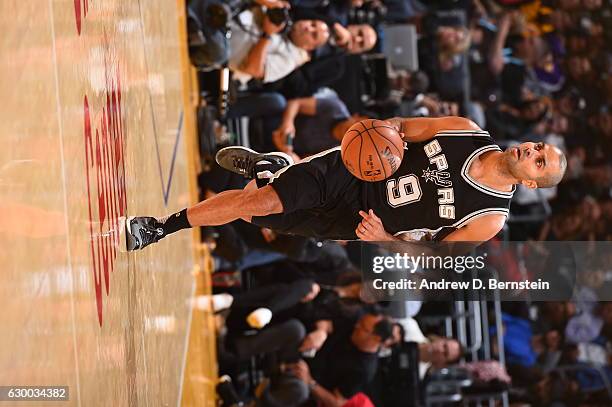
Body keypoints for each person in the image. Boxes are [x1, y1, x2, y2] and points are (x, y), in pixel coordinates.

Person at [124, 116, 567, 250]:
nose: (531, 151)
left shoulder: (489, 219)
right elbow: (401, 125)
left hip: (359, 221)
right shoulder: (463, 130)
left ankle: (272, 167)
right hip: (350, 170)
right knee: (256, 205)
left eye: (539, 162)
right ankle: (162, 227)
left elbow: (432, 254)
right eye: (536, 147)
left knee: (275, 218)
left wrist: (384, 237)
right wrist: (376, 132)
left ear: (532, 185)